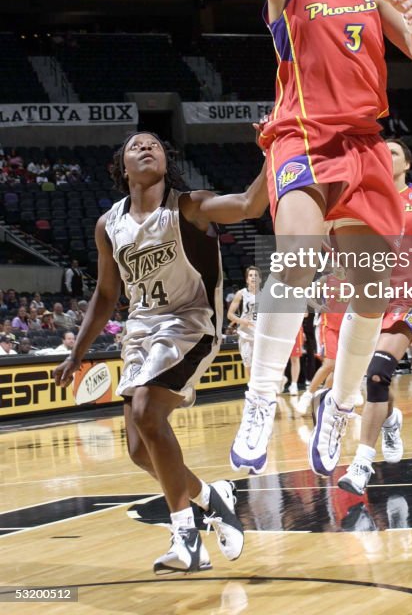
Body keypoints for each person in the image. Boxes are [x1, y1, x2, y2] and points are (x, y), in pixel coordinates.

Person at [187, 0, 412, 479]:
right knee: (296, 257)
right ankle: (261, 399)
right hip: (300, 138)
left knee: (367, 291)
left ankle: (343, 402)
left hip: (362, 147)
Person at [54, 132, 268, 575]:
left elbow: (250, 205)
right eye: (136, 146)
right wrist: (77, 352)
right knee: (138, 449)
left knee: (150, 416)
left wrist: (275, 150)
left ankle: (186, 537)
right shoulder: (108, 224)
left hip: (190, 324)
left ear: (166, 163)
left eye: (153, 144)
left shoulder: (189, 206)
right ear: (122, 166)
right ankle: (212, 499)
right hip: (141, 334)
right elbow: (106, 294)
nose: (145, 148)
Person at [338, 137, 412, 494]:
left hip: (409, 298)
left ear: (406, 163)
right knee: (373, 379)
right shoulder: (363, 199)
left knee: (377, 374)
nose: (383, 157)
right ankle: (391, 419)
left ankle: (361, 464)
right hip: (369, 298)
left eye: (391, 152)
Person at [227, 265, 260, 374]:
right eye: (250, 275)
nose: (253, 277)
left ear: (260, 279)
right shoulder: (241, 294)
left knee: (260, 365)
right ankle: (251, 389)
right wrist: (242, 321)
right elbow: (230, 315)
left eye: (256, 275)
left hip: (260, 335)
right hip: (245, 335)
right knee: (248, 365)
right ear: (247, 279)